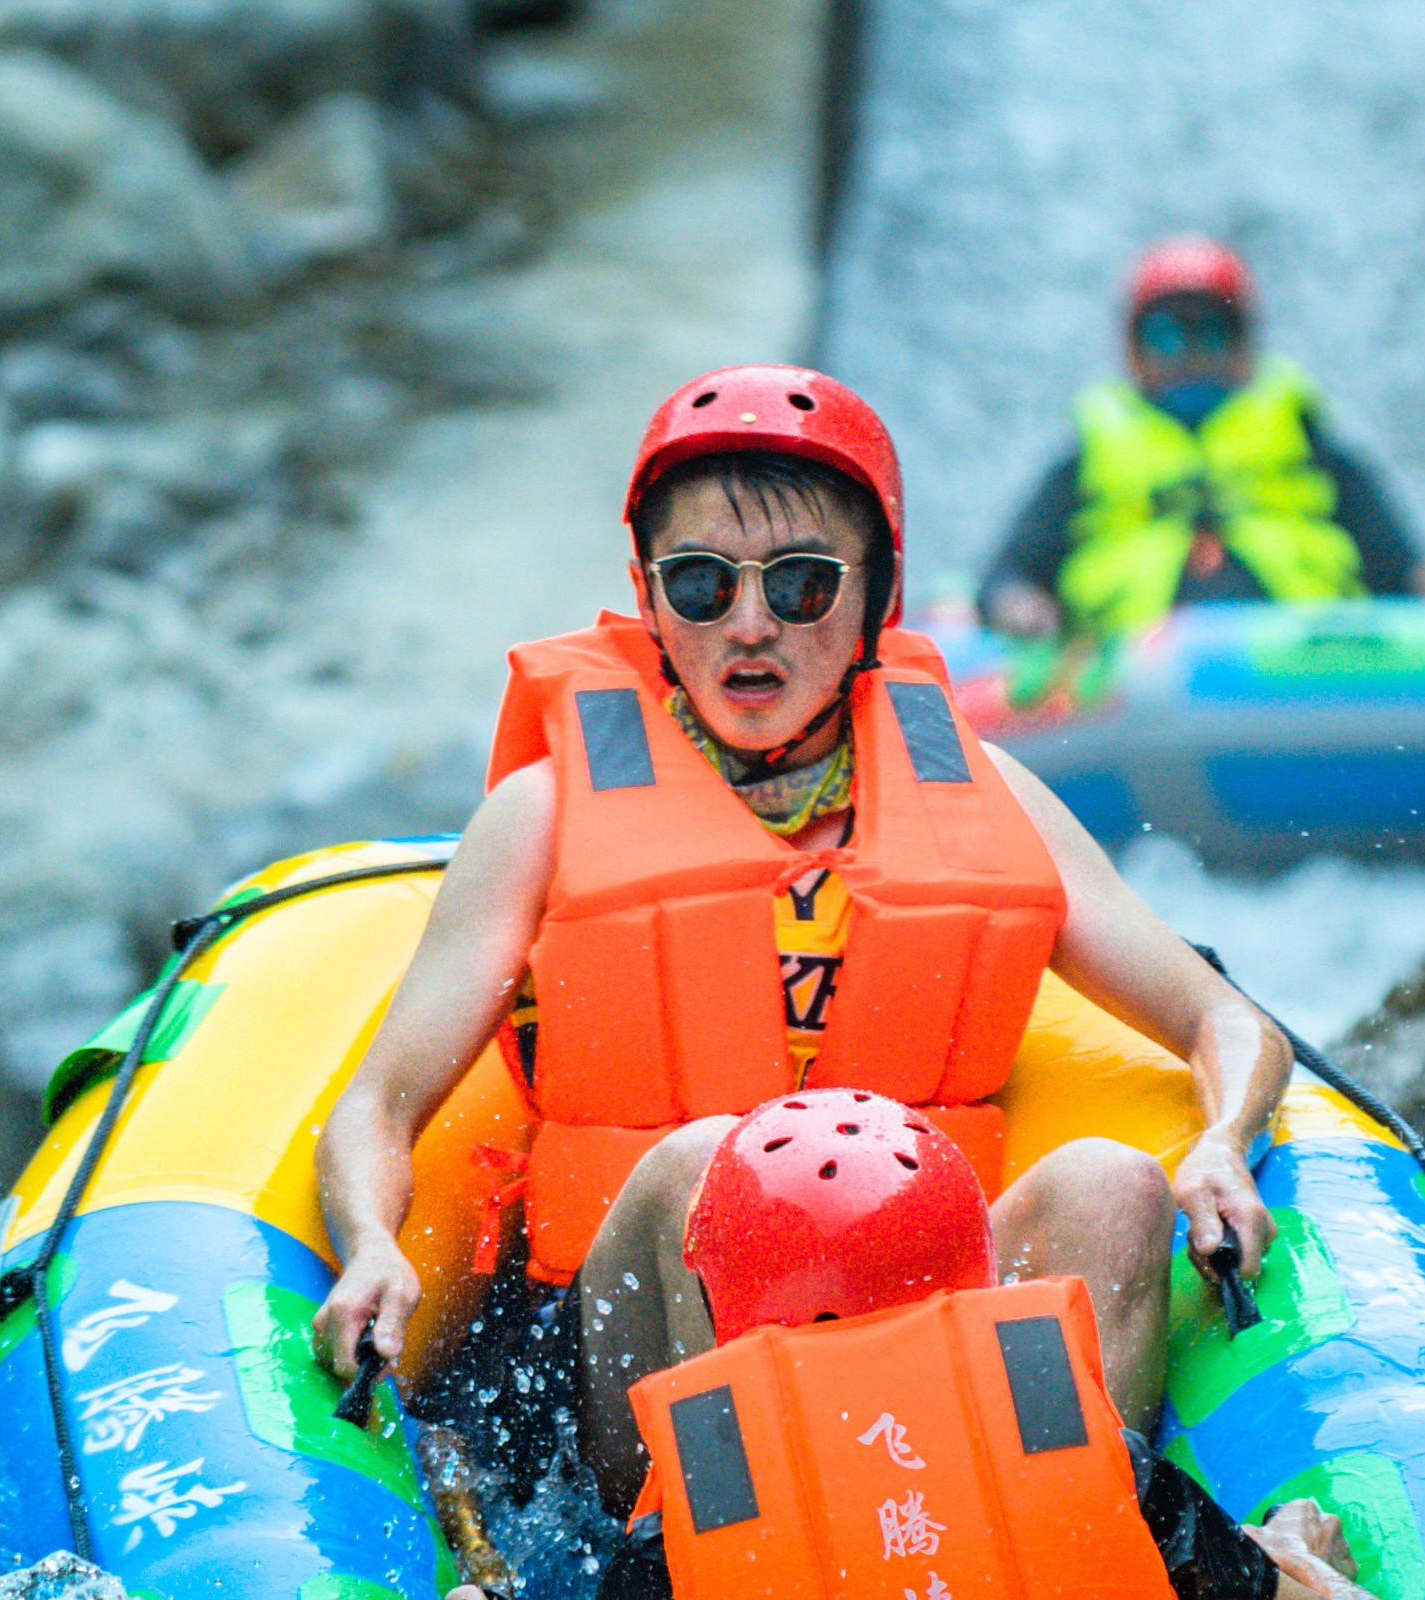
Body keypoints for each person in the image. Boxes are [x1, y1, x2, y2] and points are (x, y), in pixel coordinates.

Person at [308, 365, 1288, 1521]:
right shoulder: (542, 813)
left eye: (803, 583)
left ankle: (1073, 1546)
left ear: (876, 597)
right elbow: (378, 1105)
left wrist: (1222, 1140)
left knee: (1111, 1181)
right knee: (702, 1163)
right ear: (649, 595)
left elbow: (1221, 1019)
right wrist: (371, 1241)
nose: (750, 624)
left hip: (918, 1309)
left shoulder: (986, 795)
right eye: (701, 585)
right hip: (632, 1364)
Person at [391, 1094, 1422, 1600]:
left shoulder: (676, 1536)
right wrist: (1297, 1563)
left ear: (721, 1306)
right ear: (973, 1284)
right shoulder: (1096, 1457)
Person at [979, 237, 1425, 648]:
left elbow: (1395, 556)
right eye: (1165, 338)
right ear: (1133, 351)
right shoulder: (1091, 452)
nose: (1190, 357)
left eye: (1213, 335)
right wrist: (1016, 604)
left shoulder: (1305, 439)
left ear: (1245, 346)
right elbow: (1014, 568)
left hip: (1314, 665)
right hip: (1127, 666)